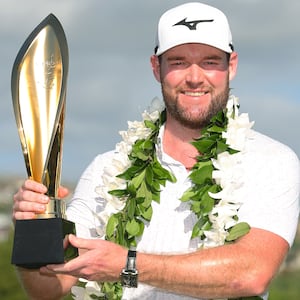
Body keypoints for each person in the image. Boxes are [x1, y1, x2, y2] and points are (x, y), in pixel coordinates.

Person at [12, 2, 299, 300]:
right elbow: (48, 288)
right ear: (155, 67)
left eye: (210, 62)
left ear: (232, 65)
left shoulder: (271, 161)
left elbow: (251, 275)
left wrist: (127, 265)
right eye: (178, 62)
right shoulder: (107, 169)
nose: (195, 77)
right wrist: (33, 229)